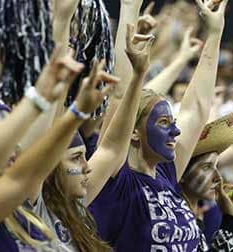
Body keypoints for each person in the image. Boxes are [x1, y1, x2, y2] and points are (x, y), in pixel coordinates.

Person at [89, 0, 230, 250]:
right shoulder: (116, 178)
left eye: (173, 123)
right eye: (164, 122)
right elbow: (119, 95)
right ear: (132, 132)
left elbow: (196, 108)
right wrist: (129, 8)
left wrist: (215, 34)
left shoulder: (166, 172)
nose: (176, 131)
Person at [0, 46, 116, 251]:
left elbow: (21, 179)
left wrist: (75, 111)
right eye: (1, 138)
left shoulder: (19, 210)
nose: (13, 150)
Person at [33, 25, 154, 251]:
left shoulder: (75, 206)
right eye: (76, 158)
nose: (87, 167)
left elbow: (112, 148)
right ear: (48, 165)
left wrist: (139, 74)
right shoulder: (34, 208)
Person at [180, 110, 233, 251]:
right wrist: (230, 221)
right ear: (182, 171)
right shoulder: (176, 221)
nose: (218, 177)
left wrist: (230, 218)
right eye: (207, 167)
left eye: (216, 166)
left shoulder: (192, 218)